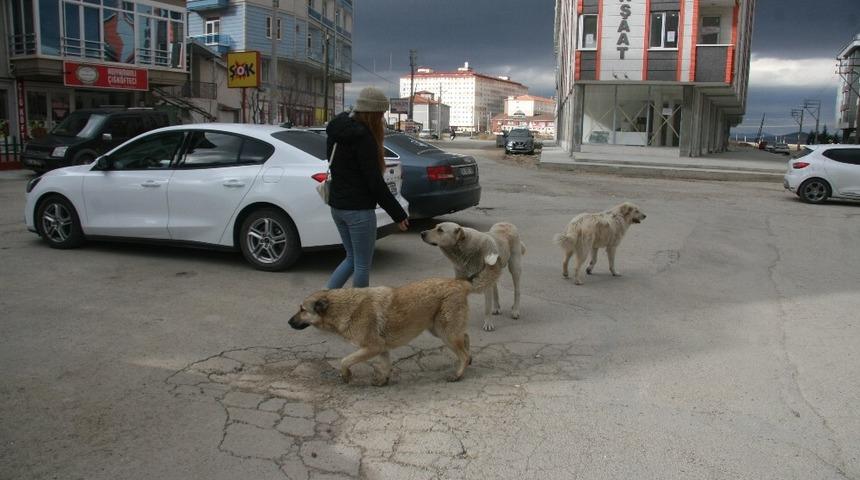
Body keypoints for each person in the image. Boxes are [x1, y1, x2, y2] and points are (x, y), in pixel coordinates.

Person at [324, 87, 409, 289]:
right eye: (381, 114)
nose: (382, 120)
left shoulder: (337, 131)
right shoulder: (364, 138)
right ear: (374, 114)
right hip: (359, 211)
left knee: (351, 258)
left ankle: (324, 301)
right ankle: (359, 311)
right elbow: (375, 183)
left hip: (338, 207)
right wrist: (398, 214)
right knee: (362, 264)